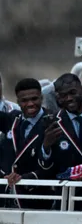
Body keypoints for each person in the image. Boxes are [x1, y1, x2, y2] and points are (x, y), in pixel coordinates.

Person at [39, 74, 82, 211]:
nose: (68, 98)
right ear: (57, 96)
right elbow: (46, 169)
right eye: (63, 95)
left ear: (81, 89)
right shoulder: (52, 124)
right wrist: (46, 147)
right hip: (68, 201)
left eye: (72, 93)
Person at [0, 78, 51, 210]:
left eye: (34, 99)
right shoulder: (12, 119)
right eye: (24, 101)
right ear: (17, 101)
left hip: (37, 200)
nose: (30, 104)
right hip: (5, 199)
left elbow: (55, 165)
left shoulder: (53, 122)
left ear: (41, 98)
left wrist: (24, 177)